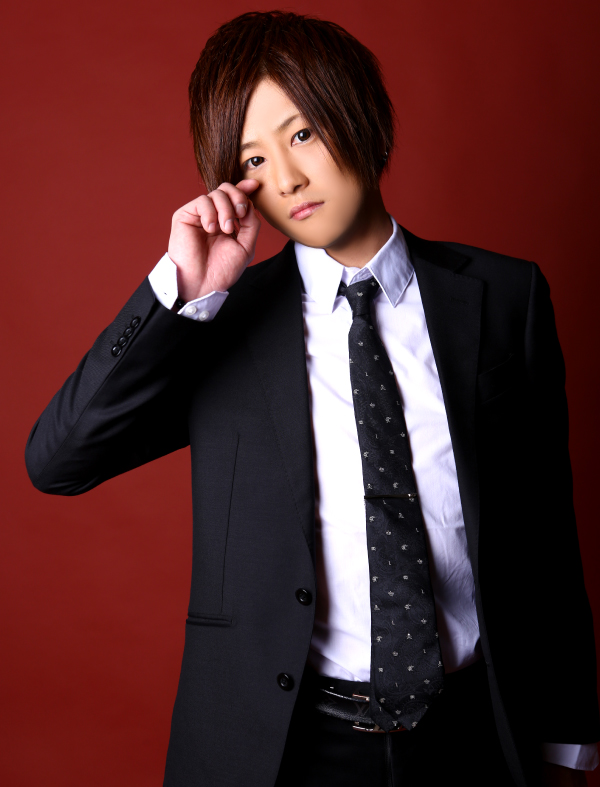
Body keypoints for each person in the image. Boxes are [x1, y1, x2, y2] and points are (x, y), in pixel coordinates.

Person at [25, 10, 599, 787]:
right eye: (253, 159)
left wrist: (566, 746)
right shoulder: (220, 323)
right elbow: (57, 461)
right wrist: (182, 292)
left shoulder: (505, 297)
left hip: (472, 736)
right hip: (285, 749)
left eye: (301, 134)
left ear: (360, 115)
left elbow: (545, 537)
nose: (288, 178)